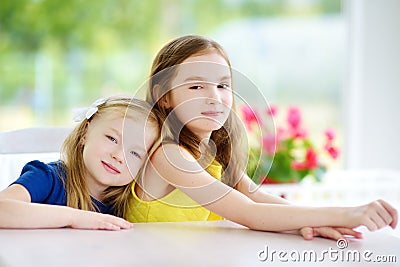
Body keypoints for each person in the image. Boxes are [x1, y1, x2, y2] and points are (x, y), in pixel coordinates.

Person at [125, 35, 398, 240]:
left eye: (223, 85)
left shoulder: (213, 154)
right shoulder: (169, 155)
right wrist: (348, 213)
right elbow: (249, 212)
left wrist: (313, 221)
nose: (214, 97)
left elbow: (258, 198)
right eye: (196, 85)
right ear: (164, 96)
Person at [0, 95, 159, 230]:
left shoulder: (128, 203)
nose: (119, 156)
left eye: (134, 153)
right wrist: (74, 218)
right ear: (85, 133)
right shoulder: (48, 177)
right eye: (112, 139)